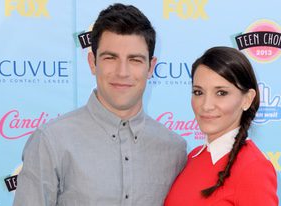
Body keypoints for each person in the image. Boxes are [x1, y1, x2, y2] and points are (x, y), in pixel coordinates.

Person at [13, 3, 187, 205]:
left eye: (135, 60)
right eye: (110, 58)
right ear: (92, 63)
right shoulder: (51, 141)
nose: (122, 72)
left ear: (151, 67)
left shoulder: (174, 150)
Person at [164, 46, 278, 205]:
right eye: (198, 92)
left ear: (247, 99)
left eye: (221, 93)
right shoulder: (193, 157)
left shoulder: (254, 169)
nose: (206, 105)